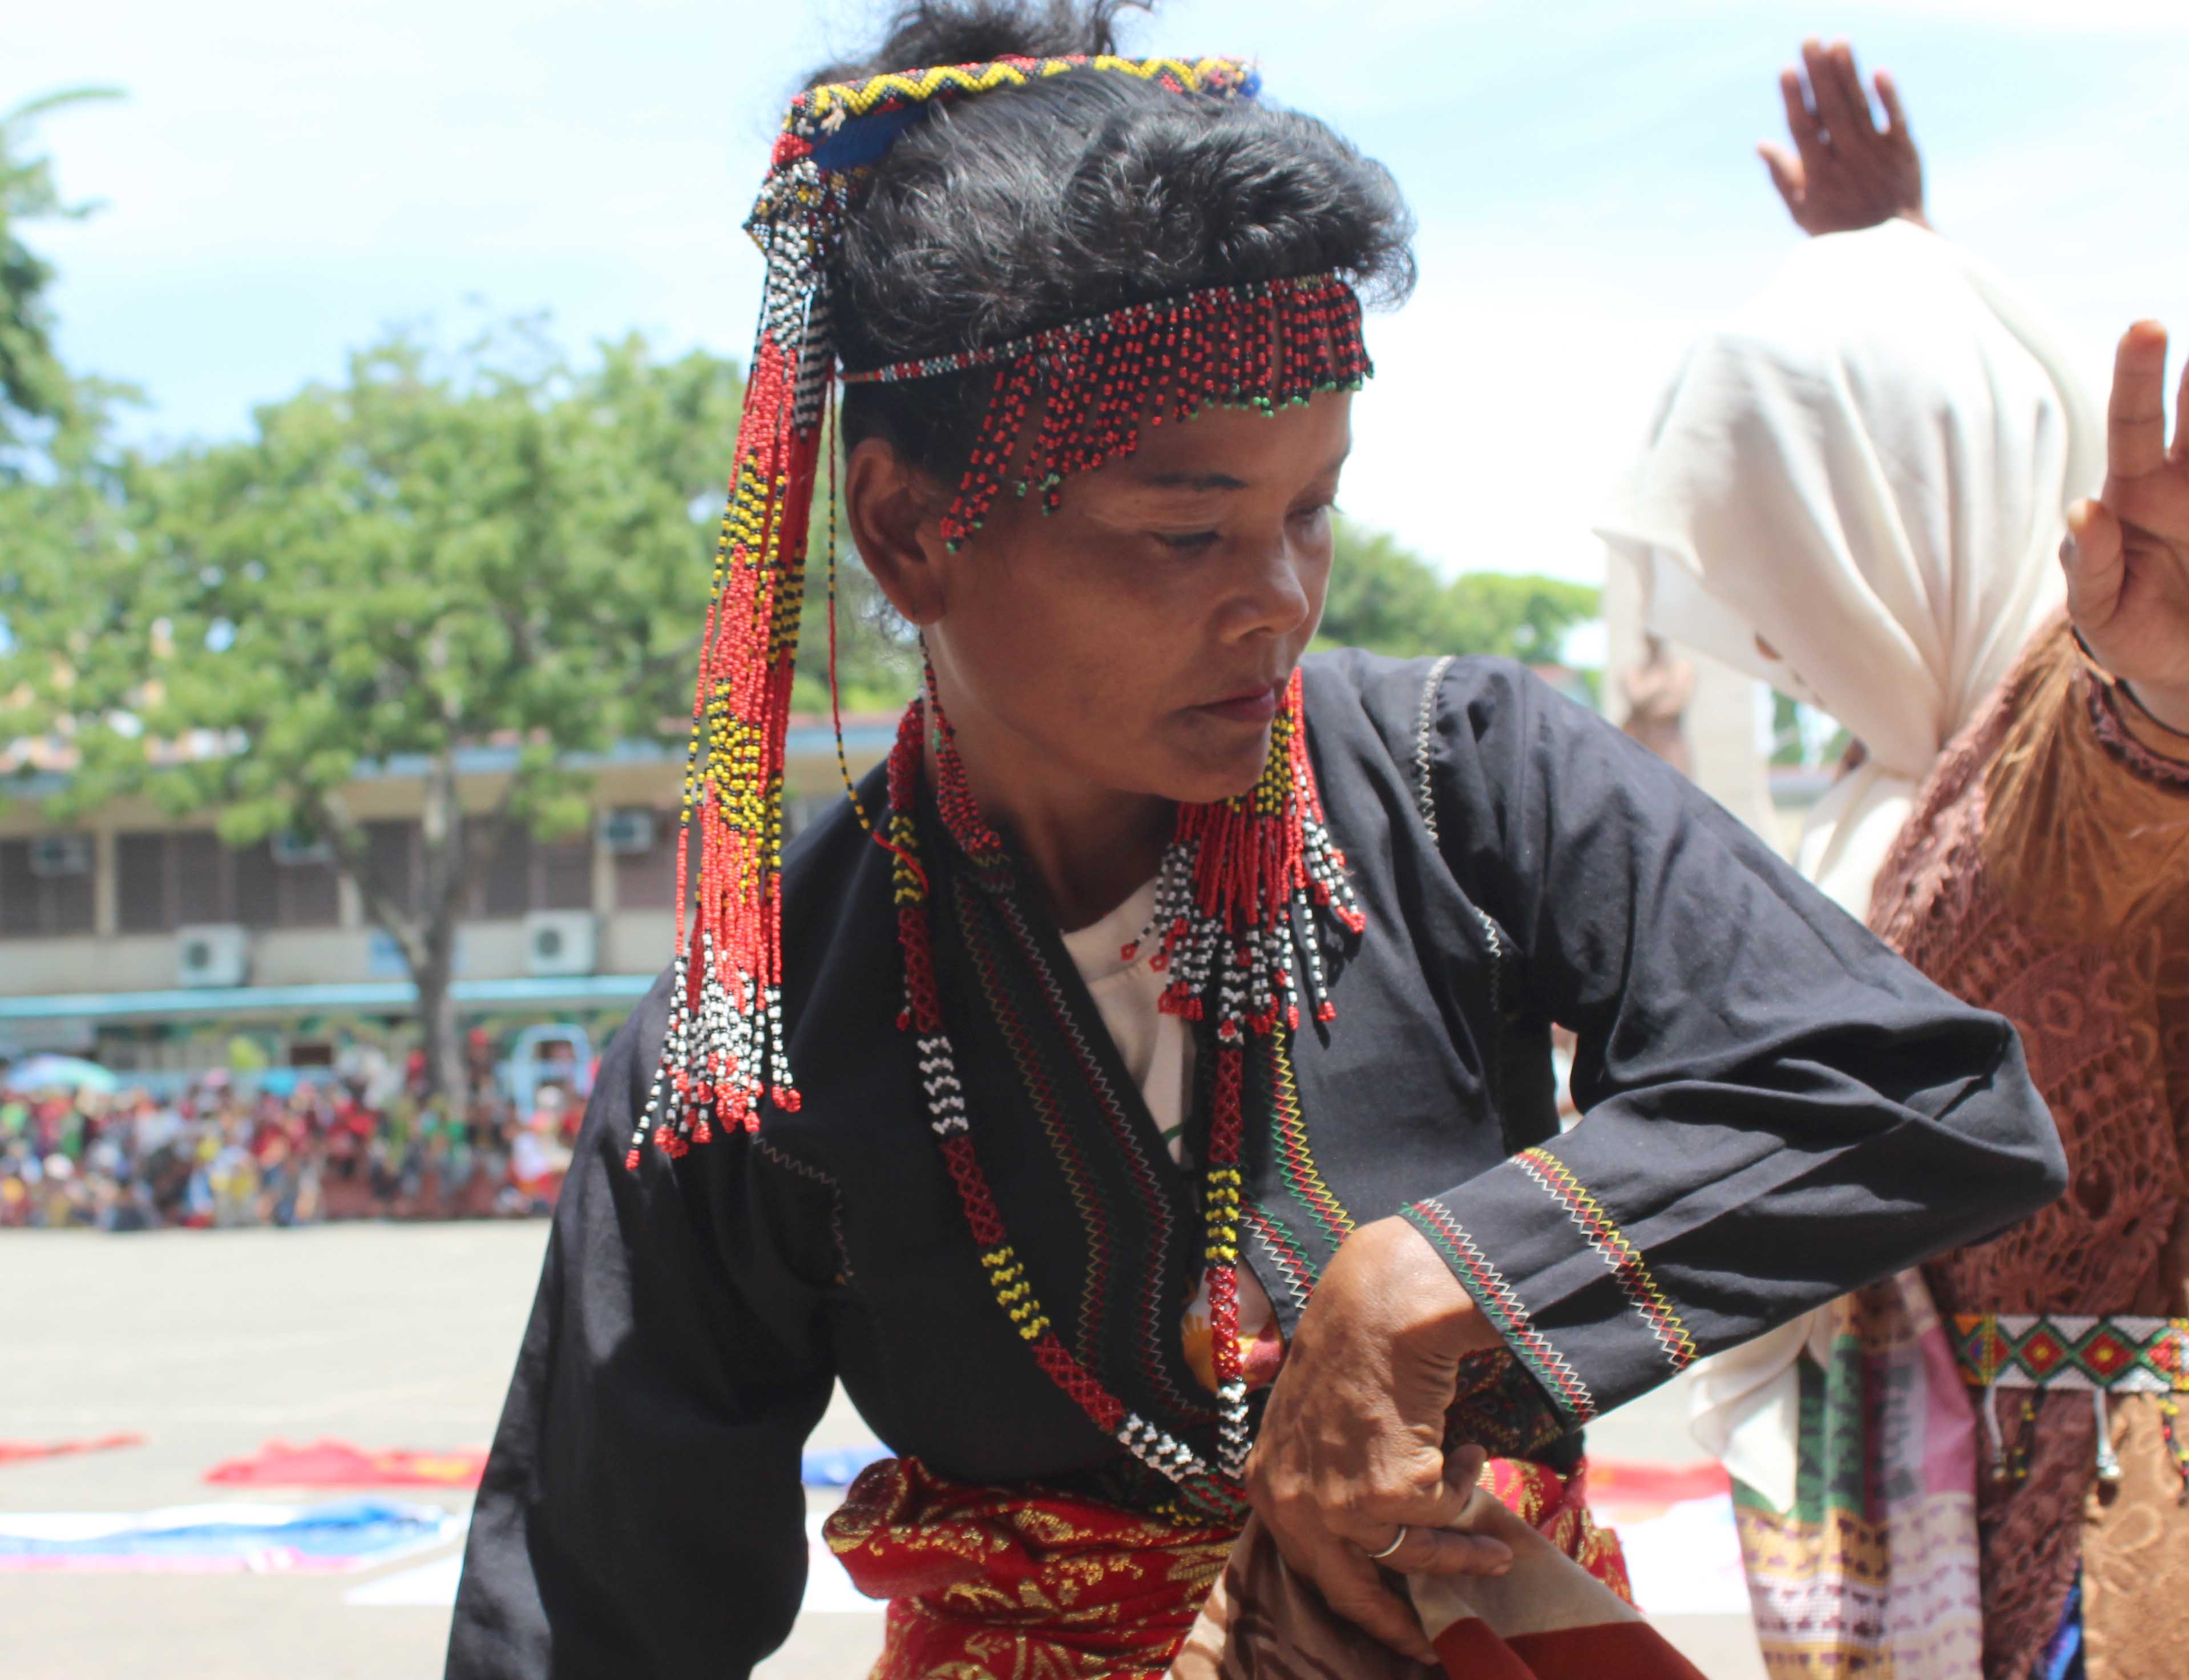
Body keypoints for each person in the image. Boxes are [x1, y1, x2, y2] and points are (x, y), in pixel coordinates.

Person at [443, 9, 2068, 1677]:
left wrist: (1439, 1282)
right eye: (1188, 528)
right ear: (910, 529)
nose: (1278, 600)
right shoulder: (760, 1038)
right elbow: (584, 1619)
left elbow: (1922, 1094)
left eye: (1312, 509)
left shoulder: (1461, 780)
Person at [1614, 41, 2189, 1680]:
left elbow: (2102, 839)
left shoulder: (2111, 714)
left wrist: (2181, 694)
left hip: (2161, 1567)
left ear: (1899, 519)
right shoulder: (1929, 759)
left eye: (1785, 571)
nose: (1784, 645)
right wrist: (1900, 256)